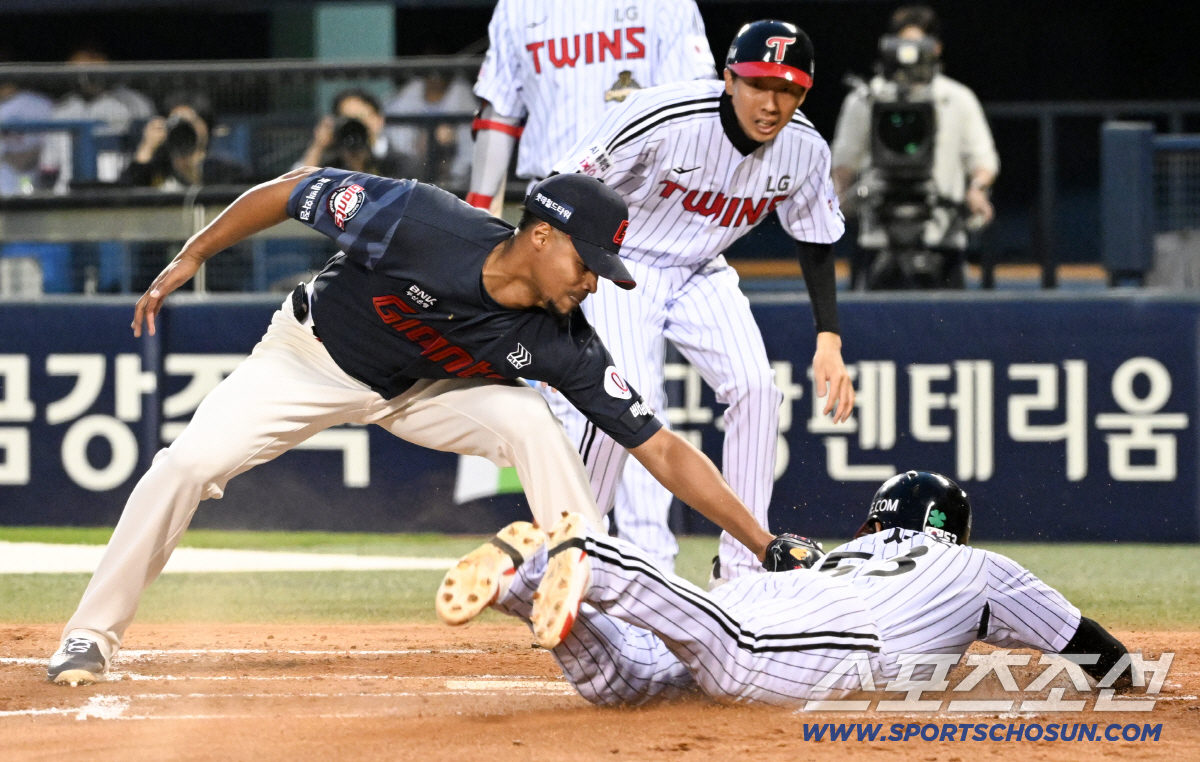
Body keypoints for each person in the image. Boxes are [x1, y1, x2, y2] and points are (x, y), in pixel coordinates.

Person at [45, 168, 775, 686]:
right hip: (308, 360)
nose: (593, 283)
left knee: (528, 417)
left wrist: (765, 545)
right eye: (590, 265)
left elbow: (660, 447)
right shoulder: (417, 220)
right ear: (544, 237)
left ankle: (579, 570)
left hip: (422, 390)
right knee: (182, 466)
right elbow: (289, 190)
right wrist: (194, 253)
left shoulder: (564, 338)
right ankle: (90, 633)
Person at [545, 20, 855, 581]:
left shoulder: (805, 148)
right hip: (623, 262)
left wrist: (828, 340)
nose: (772, 103)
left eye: (788, 90)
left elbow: (815, 239)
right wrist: (549, 300)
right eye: (759, 84)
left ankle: (743, 572)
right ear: (728, 78)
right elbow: (561, 190)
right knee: (628, 406)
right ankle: (597, 560)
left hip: (702, 269)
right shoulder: (664, 116)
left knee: (759, 391)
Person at [438, 471, 1135, 706]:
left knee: (628, 685)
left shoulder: (842, 552)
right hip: (845, 636)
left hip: (779, 601)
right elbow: (1092, 650)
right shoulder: (980, 568)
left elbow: (799, 560)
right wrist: (1128, 678)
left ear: (874, 522)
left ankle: (521, 585)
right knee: (730, 653)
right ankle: (595, 557)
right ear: (955, 528)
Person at [467, 0, 717, 215]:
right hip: (550, 199)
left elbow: (693, 107)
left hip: (640, 200)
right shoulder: (518, 5)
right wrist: (479, 208)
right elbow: (499, 112)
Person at [830, 5, 999, 288]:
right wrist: (838, 202)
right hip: (878, 240)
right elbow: (844, 161)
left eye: (918, 45)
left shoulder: (958, 99)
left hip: (941, 238)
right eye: (902, 44)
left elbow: (983, 160)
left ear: (936, 48)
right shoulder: (865, 100)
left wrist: (977, 190)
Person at [39, 43, 156, 192]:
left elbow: (147, 158)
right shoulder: (62, 110)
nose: (88, 64)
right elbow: (49, 168)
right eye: (82, 57)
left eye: (94, 56)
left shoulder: (133, 103)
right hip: (67, 195)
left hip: (119, 192)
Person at [119, 93, 249, 189]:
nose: (183, 129)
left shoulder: (225, 169)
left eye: (189, 123)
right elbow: (123, 199)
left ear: (205, 127)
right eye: (176, 122)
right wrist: (147, 148)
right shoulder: (156, 168)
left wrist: (191, 170)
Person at [385, 70, 476, 186]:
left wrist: (455, 171)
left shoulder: (460, 92)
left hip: (454, 174)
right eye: (430, 75)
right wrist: (425, 138)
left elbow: (470, 150)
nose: (435, 80)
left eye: (440, 75)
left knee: (444, 134)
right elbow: (399, 144)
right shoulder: (413, 90)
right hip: (416, 170)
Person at [298, 88, 406, 178]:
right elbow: (298, 189)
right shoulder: (330, 162)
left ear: (378, 120)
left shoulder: (400, 163)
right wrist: (318, 146)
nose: (355, 126)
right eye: (348, 119)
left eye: (361, 118)